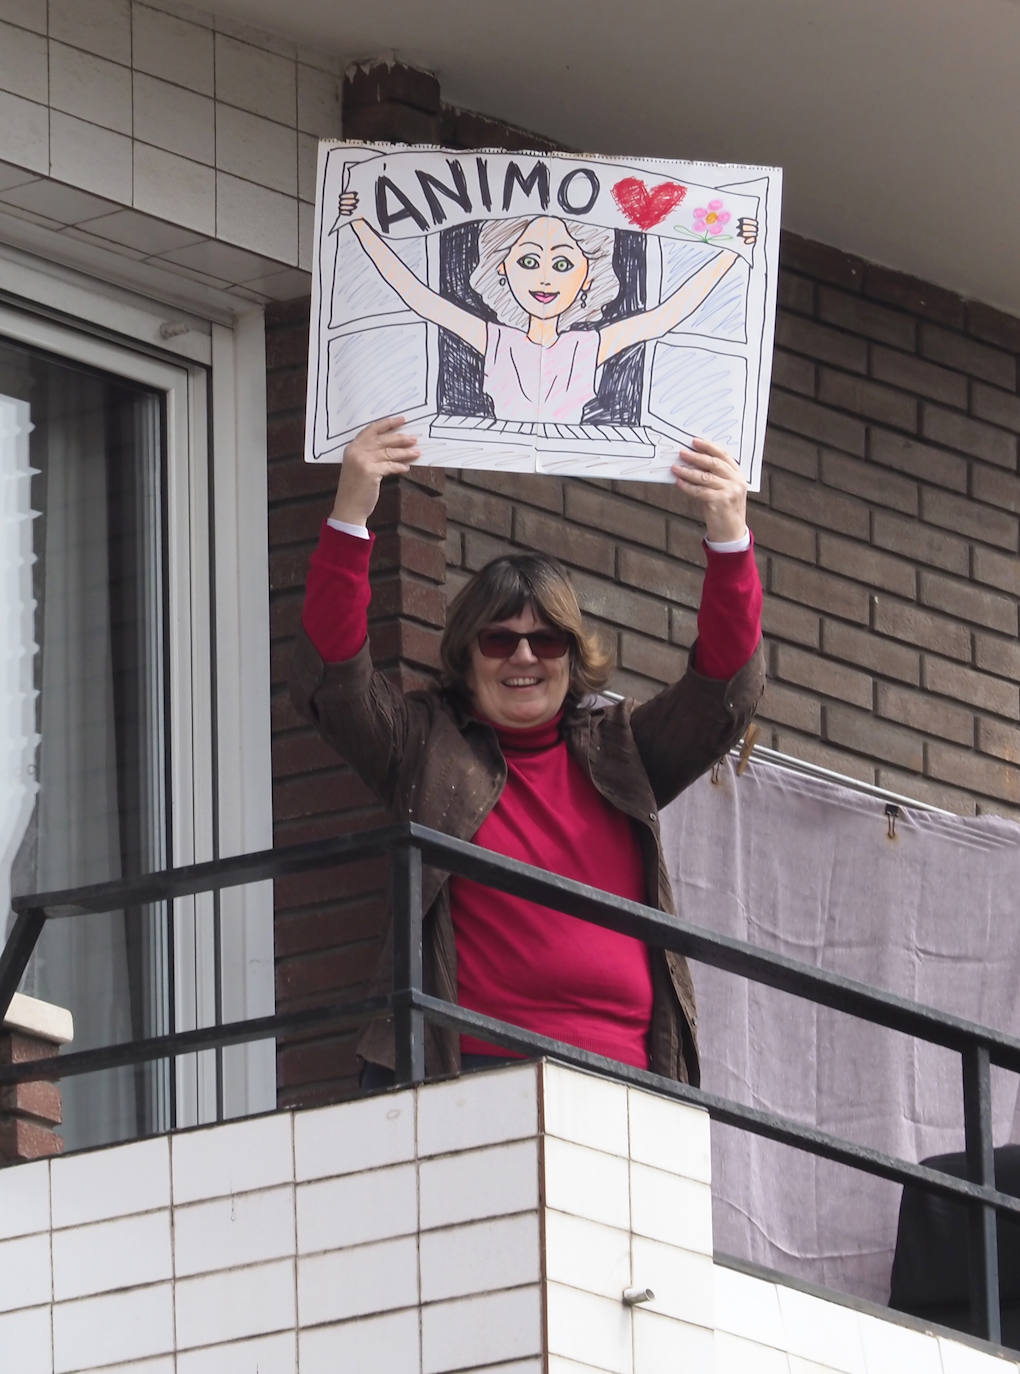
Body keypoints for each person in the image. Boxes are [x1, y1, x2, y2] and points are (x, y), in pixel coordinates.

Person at [291, 416, 765, 1087]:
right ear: (466, 652)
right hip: (469, 1069)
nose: (523, 656)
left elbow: (726, 690)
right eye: (499, 639)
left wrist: (728, 536)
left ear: (573, 657)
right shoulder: (424, 744)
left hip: (630, 1077)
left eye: (546, 642)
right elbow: (334, 682)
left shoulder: (622, 749)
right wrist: (351, 513)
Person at [338, 199, 757, 424]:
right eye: (528, 261)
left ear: (587, 276)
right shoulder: (495, 339)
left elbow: (663, 317)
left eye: (561, 265)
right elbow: (418, 298)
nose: (544, 280)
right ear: (502, 267)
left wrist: (730, 253)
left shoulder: (587, 346)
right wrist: (359, 225)